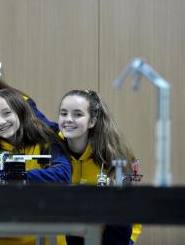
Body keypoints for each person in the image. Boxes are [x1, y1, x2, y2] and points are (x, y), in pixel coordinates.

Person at [0, 88, 71, 245]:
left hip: (48, 235)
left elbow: (62, 174)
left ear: (20, 111)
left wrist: (18, 175)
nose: (1, 122)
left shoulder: (46, 140)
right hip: (4, 237)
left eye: (7, 113)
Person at [58, 89, 141, 245]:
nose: (68, 119)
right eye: (63, 113)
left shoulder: (115, 156)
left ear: (92, 121)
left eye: (77, 114)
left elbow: (127, 213)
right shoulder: (52, 149)